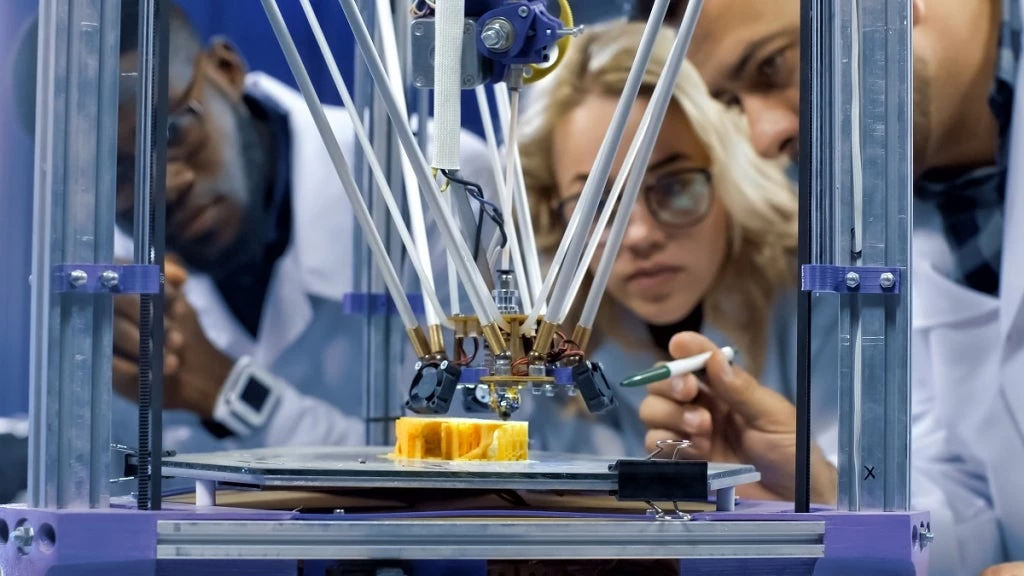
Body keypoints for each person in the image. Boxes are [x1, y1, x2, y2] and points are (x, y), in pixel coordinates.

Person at [13, 2, 498, 462]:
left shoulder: (434, 187)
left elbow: (479, 457)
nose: (163, 187)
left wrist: (232, 393)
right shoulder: (114, 283)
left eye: (172, 133)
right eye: (115, 173)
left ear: (226, 70)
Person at [634, 0, 1023, 573]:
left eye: (773, 66)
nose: (764, 138)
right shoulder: (908, 206)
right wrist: (825, 491)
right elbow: (976, 492)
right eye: (734, 103)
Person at [515, 19, 839, 502]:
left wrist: (818, 498)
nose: (640, 235)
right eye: (595, 206)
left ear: (731, 174)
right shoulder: (542, 347)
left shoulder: (825, 299)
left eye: (675, 186)